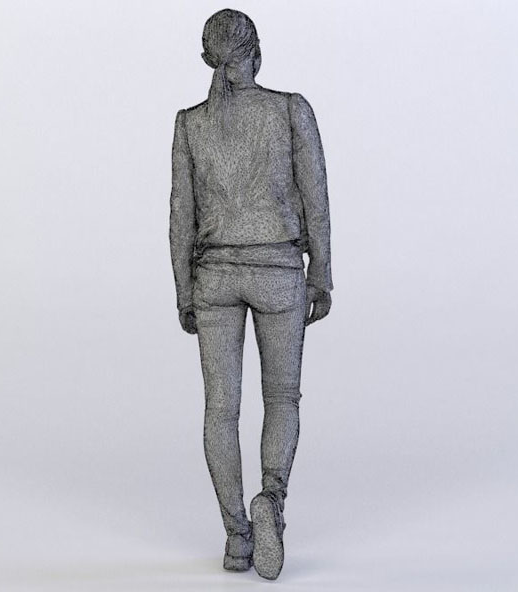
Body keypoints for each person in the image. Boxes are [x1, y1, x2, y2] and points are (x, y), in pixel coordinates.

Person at [168, 8, 333, 580]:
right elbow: (316, 196)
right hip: (279, 271)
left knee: (221, 408)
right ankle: (272, 501)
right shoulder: (291, 110)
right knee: (282, 398)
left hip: (215, 276)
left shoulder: (190, 124)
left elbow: (181, 216)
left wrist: (183, 290)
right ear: (257, 53)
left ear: (208, 58)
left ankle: (237, 536)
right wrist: (322, 271)